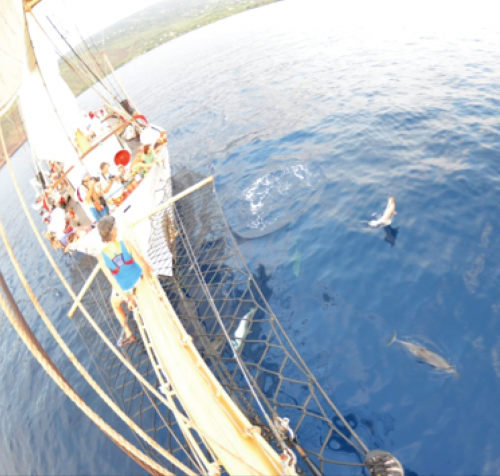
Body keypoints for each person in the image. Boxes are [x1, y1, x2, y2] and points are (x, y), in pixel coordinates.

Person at [97, 216, 154, 347]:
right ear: (113, 232)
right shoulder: (125, 244)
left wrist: (127, 299)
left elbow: (113, 282)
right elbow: (143, 265)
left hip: (126, 289)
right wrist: (149, 276)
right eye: (115, 227)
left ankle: (129, 333)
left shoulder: (101, 257)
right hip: (138, 280)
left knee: (115, 305)